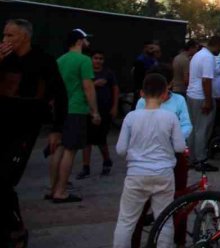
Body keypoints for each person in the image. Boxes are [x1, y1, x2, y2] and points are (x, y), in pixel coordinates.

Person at [0, 19, 67, 247]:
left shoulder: (43, 61)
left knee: (5, 180)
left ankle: (16, 228)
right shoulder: (3, 59)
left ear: (25, 37)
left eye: (10, 36)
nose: (5, 41)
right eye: (4, 35)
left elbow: (60, 94)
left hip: (25, 131)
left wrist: (57, 129)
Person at [112, 73, 186, 248]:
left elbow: (120, 149)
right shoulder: (170, 118)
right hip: (164, 174)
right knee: (164, 220)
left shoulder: (131, 117)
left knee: (126, 221)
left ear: (141, 93)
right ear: (164, 94)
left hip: (136, 174)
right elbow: (180, 148)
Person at [132, 64, 193, 248]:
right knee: (141, 204)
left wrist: (174, 140)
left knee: (179, 200)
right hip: (149, 157)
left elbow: (186, 125)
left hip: (175, 155)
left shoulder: (179, 101)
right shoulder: (142, 102)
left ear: (170, 84)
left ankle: (178, 241)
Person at [50, 28, 101, 203]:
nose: (88, 43)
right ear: (79, 41)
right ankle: (61, 191)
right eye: (86, 39)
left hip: (61, 109)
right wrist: (94, 111)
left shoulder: (60, 60)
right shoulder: (84, 60)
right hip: (76, 108)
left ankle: (53, 188)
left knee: (59, 148)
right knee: (70, 151)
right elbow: (88, 87)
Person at [77, 49, 119, 179]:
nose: (98, 61)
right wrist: (94, 84)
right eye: (96, 58)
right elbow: (82, 89)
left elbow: (115, 89)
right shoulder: (86, 72)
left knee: (101, 139)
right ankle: (85, 167)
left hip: (104, 110)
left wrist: (114, 106)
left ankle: (106, 161)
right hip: (88, 110)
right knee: (86, 140)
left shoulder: (108, 73)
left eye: (100, 58)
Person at [186, 35, 220, 172]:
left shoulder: (198, 54)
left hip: (192, 95)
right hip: (201, 97)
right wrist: (208, 101)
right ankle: (201, 159)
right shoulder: (208, 58)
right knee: (203, 129)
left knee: (194, 129)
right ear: (218, 45)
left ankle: (191, 157)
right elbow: (206, 80)